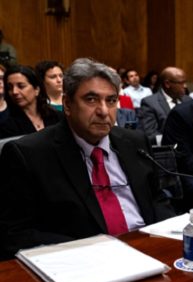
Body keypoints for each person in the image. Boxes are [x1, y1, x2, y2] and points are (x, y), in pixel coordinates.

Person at [0, 58, 175, 259]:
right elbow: (14, 233)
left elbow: (157, 198)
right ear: (67, 104)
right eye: (91, 100)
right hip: (83, 261)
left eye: (111, 100)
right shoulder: (29, 154)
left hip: (149, 249)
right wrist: (91, 250)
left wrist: (168, 240)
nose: (103, 111)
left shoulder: (134, 141)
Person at [0, 65, 63, 138]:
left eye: (21, 86)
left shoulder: (57, 117)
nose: (14, 92)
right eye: (9, 88)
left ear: (36, 89)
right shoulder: (6, 125)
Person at [137, 67, 191, 141]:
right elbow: (150, 134)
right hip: (167, 149)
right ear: (167, 84)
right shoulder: (150, 103)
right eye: (181, 83)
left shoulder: (188, 100)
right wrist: (175, 139)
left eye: (185, 82)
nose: (185, 86)